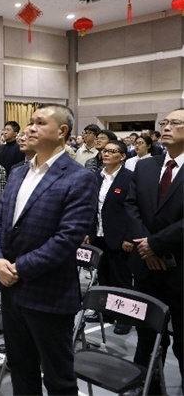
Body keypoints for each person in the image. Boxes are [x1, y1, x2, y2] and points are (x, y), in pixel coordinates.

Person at [0, 104, 98, 395]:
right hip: (10, 290)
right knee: (21, 368)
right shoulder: (18, 172)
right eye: (30, 122)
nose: (30, 128)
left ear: (62, 131)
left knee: (58, 378)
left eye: (39, 123)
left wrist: (18, 268)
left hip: (48, 292)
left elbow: (67, 238)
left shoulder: (79, 177)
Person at [125, 109, 184, 391]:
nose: (167, 127)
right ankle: (148, 387)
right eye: (164, 123)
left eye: (175, 123)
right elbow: (130, 205)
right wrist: (146, 246)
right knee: (147, 337)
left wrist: (156, 244)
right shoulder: (146, 166)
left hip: (180, 268)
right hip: (146, 267)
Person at [87, 140, 134, 335]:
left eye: (111, 151)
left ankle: (124, 318)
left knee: (120, 278)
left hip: (119, 236)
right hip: (98, 234)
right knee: (103, 276)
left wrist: (129, 237)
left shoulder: (129, 178)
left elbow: (133, 210)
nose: (105, 154)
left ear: (122, 156)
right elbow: (91, 206)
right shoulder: (96, 177)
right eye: (104, 151)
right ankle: (105, 312)